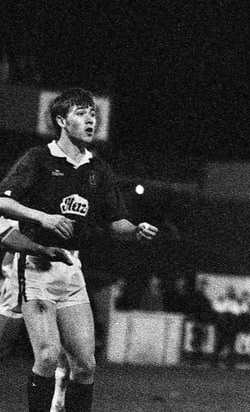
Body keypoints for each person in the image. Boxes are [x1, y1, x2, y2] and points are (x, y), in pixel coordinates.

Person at [0, 87, 159, 412]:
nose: (91, 119)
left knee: (85, 365)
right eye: (82, 113)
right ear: (61, 120)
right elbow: (3, 201)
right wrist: (43, 217)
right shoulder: (38, 159)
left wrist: (136, 230)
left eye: (93, 114)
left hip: (70, 268)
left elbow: (117, 222)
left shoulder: (98, 170)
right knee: (45, 355)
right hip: (34, 263)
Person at [0, 217, 72, 411]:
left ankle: (58, 400)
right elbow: (9, 233)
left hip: (63, 274)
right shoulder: (28, 199)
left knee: (65, 347)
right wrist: (8, 268)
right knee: (5, 337)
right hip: (24, 272)